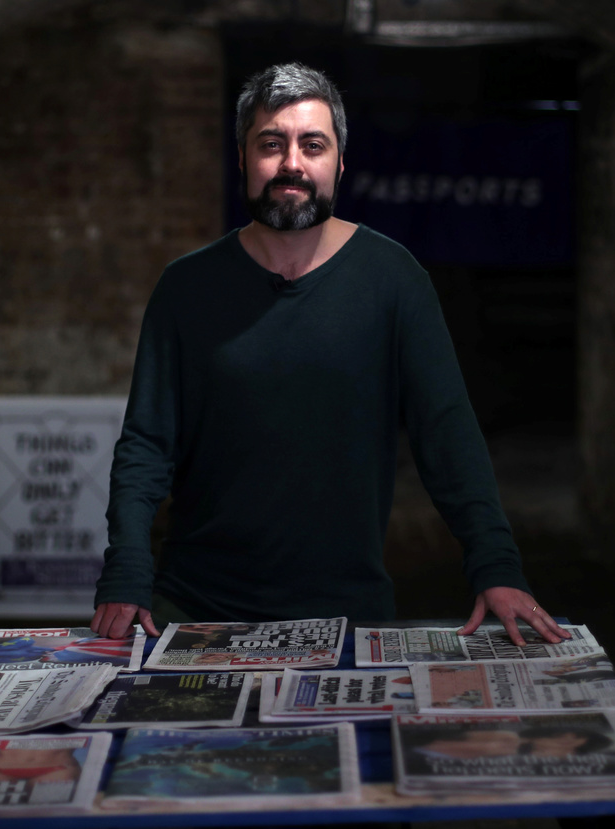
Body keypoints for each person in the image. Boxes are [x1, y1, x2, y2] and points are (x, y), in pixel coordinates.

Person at [91, 62, 568, 647]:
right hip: (194, 603)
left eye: (312, 145)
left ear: (339, 164)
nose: (291, 163)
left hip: (348, 608)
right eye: (271, 144)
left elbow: (446, 433)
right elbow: (146, 443)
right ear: (242, 159)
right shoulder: (186, 288)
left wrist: (496, 564)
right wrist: (127, 566)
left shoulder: (394, 280)